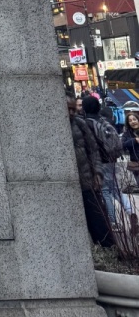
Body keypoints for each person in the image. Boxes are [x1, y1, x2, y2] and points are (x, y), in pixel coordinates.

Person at [69, 96, 113, 246]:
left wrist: (98, 173)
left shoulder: (80, 123)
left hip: (87, 183)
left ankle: (109, 252)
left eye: (73, 109)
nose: (71, 113)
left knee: (99, 225)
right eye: (68, 109)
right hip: (68, 184)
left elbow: (94, 151)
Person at [83, 93, 121, 227]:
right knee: (115, 190)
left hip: (100, 161)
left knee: (105, 191)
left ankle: (113, 221)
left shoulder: (87, 123)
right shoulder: (104, 121)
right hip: (112, 159)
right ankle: (130, 211)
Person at [121, 108, 139, 190]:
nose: (133, 122)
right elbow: (122, 145)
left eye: (134, 119)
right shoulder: (126, 134)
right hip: (136, 164)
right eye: (130, 121)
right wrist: (134, 140)